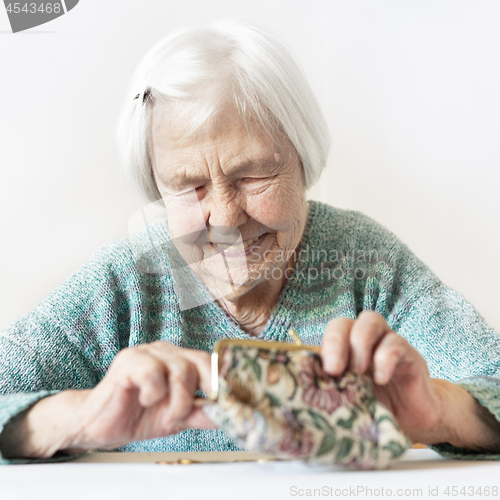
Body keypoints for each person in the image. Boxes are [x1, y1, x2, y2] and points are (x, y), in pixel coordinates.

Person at [1, 20, 500, 464]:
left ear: (304, 161)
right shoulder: (125, 283)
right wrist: (78, 418)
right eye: (188, 185)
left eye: (254, 174)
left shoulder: (366, 263)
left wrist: (440, 411)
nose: (224, 216)